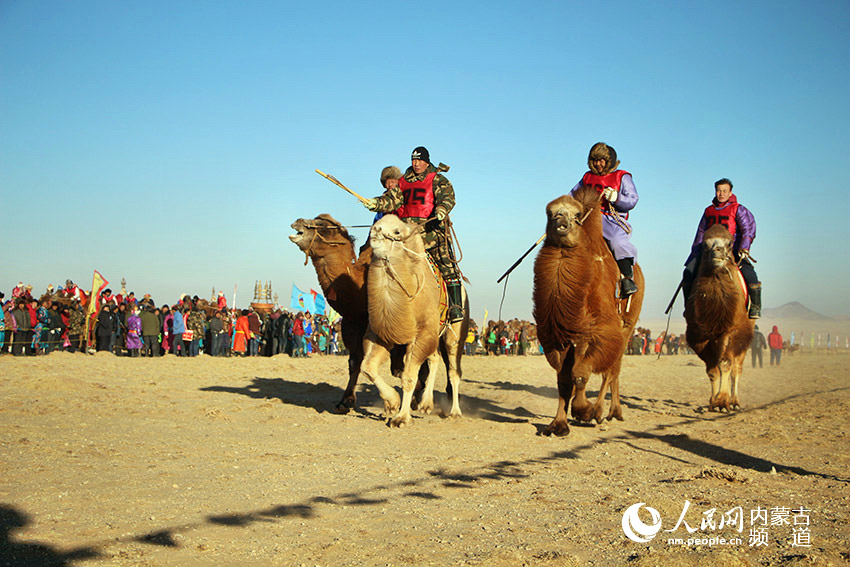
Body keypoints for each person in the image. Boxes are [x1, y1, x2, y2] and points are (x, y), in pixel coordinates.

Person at [363, 147, 465, 322]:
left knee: (447, 264)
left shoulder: (437, 180)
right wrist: (376, 203)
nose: (416, 164)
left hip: (431, 232)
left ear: (426, 161)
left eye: (419, 160)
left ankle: (456, 306)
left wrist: (442, 209)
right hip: (406, 233)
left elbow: (448, 197)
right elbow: (392, 200)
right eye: (413, 160)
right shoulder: (403, 182)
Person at [682, 178, 762, 318]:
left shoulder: (738, 209)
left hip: (732, 250)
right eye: (719, 191)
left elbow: (748, 229)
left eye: (724, 191)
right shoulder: (708, 211)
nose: (721, 194)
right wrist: (695, 253)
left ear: (730, 193)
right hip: (710, 251)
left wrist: (744, 247)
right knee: (688, 272)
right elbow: (701, 233)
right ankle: (689, 306)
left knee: (750, 275)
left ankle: (755, 306)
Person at [570, 142, 639, 296]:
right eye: (595, 160)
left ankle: (627, 278)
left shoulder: (622, 177)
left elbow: (633, 199)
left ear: (609, 161)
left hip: (612, 219)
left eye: (602, 160)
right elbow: (573, 194)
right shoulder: (587, 177)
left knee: (617, 241)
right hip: (589, 218)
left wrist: (617, 197)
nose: (598, 164)